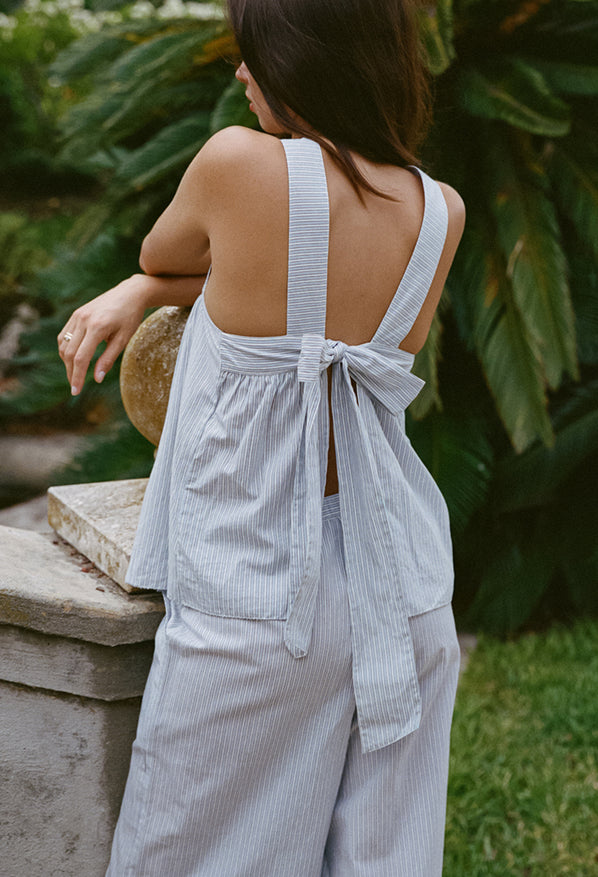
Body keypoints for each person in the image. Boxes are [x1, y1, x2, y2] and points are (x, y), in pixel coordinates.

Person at [58, 0, 466, 873]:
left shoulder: (237, 163)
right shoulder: (440, 210)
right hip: (405, 591)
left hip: (261, 600)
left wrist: (143, 287)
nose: (242, 72)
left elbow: (168, 253)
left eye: (255, 55)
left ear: (304, 59)